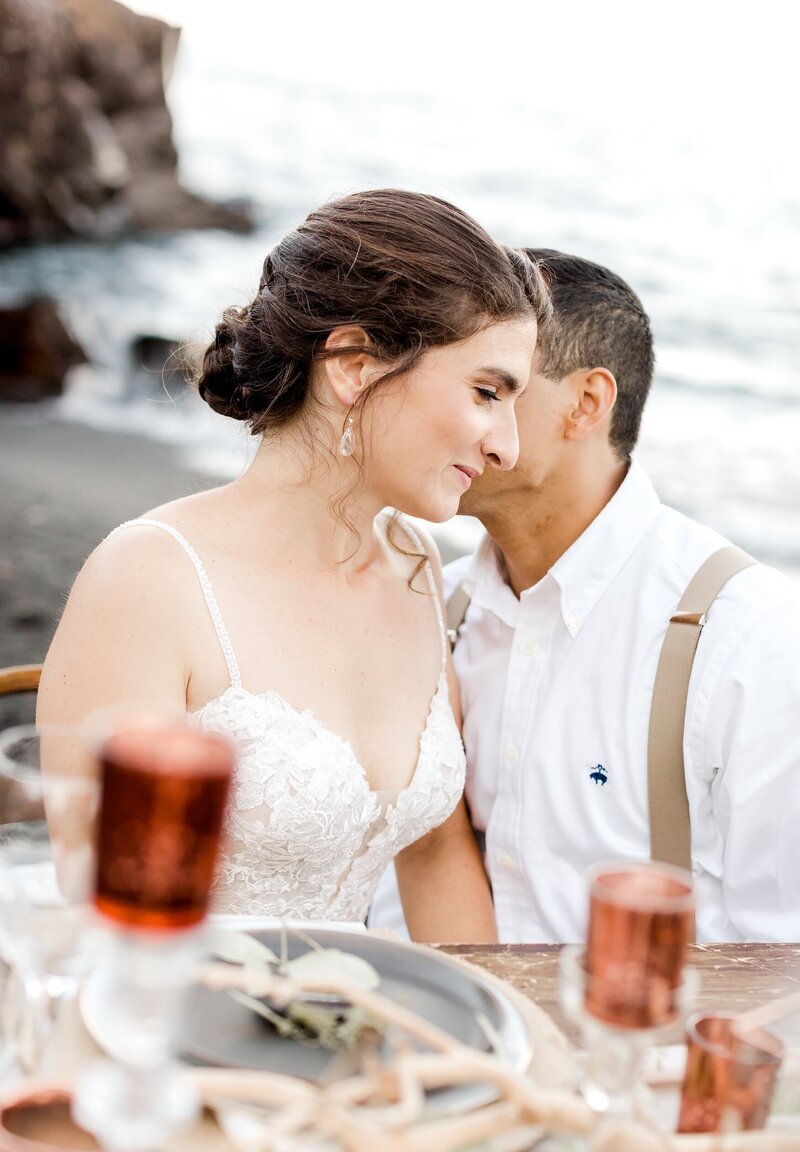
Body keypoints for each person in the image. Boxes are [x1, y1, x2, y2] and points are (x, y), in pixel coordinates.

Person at [37, 189, 550, 940]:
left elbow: (437, 855)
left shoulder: (417, 568)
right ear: (351, 364)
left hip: (363, 1026)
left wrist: (485, 1031)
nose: (509, 446)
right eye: (485, 392)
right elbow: (113, 920)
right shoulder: (150, 581)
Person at [370, 248, 800, 943]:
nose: (448, 417)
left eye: (495, 389)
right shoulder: (437, 608)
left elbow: (785, 967)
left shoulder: (748, 641)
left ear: (587, 404)